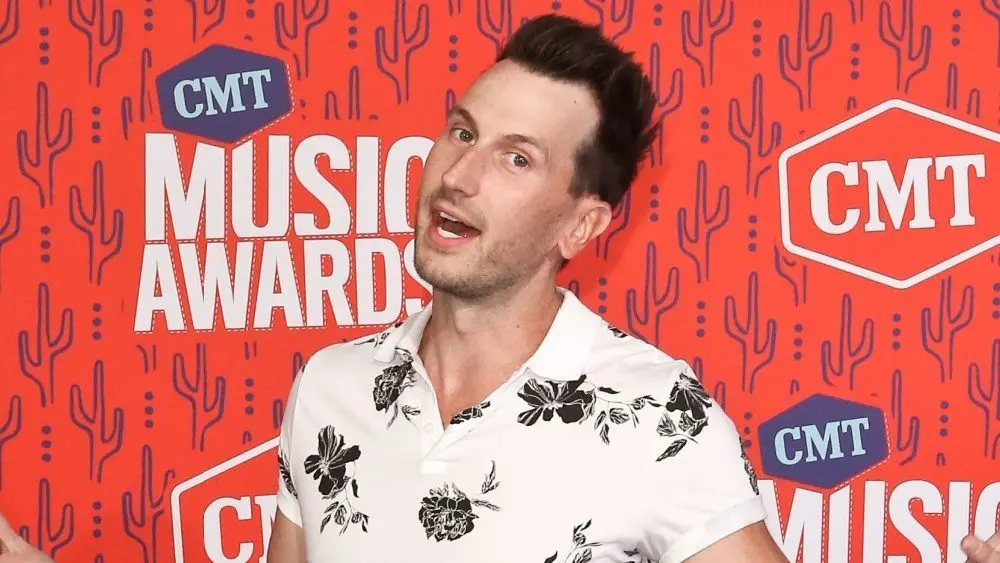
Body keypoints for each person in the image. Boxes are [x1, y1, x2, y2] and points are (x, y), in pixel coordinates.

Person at [1, 13, 997, 563]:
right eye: (463, 130)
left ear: (580, 224)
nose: (459, 174)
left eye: (518, 158)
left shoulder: (655, 411)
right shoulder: (331, 389)